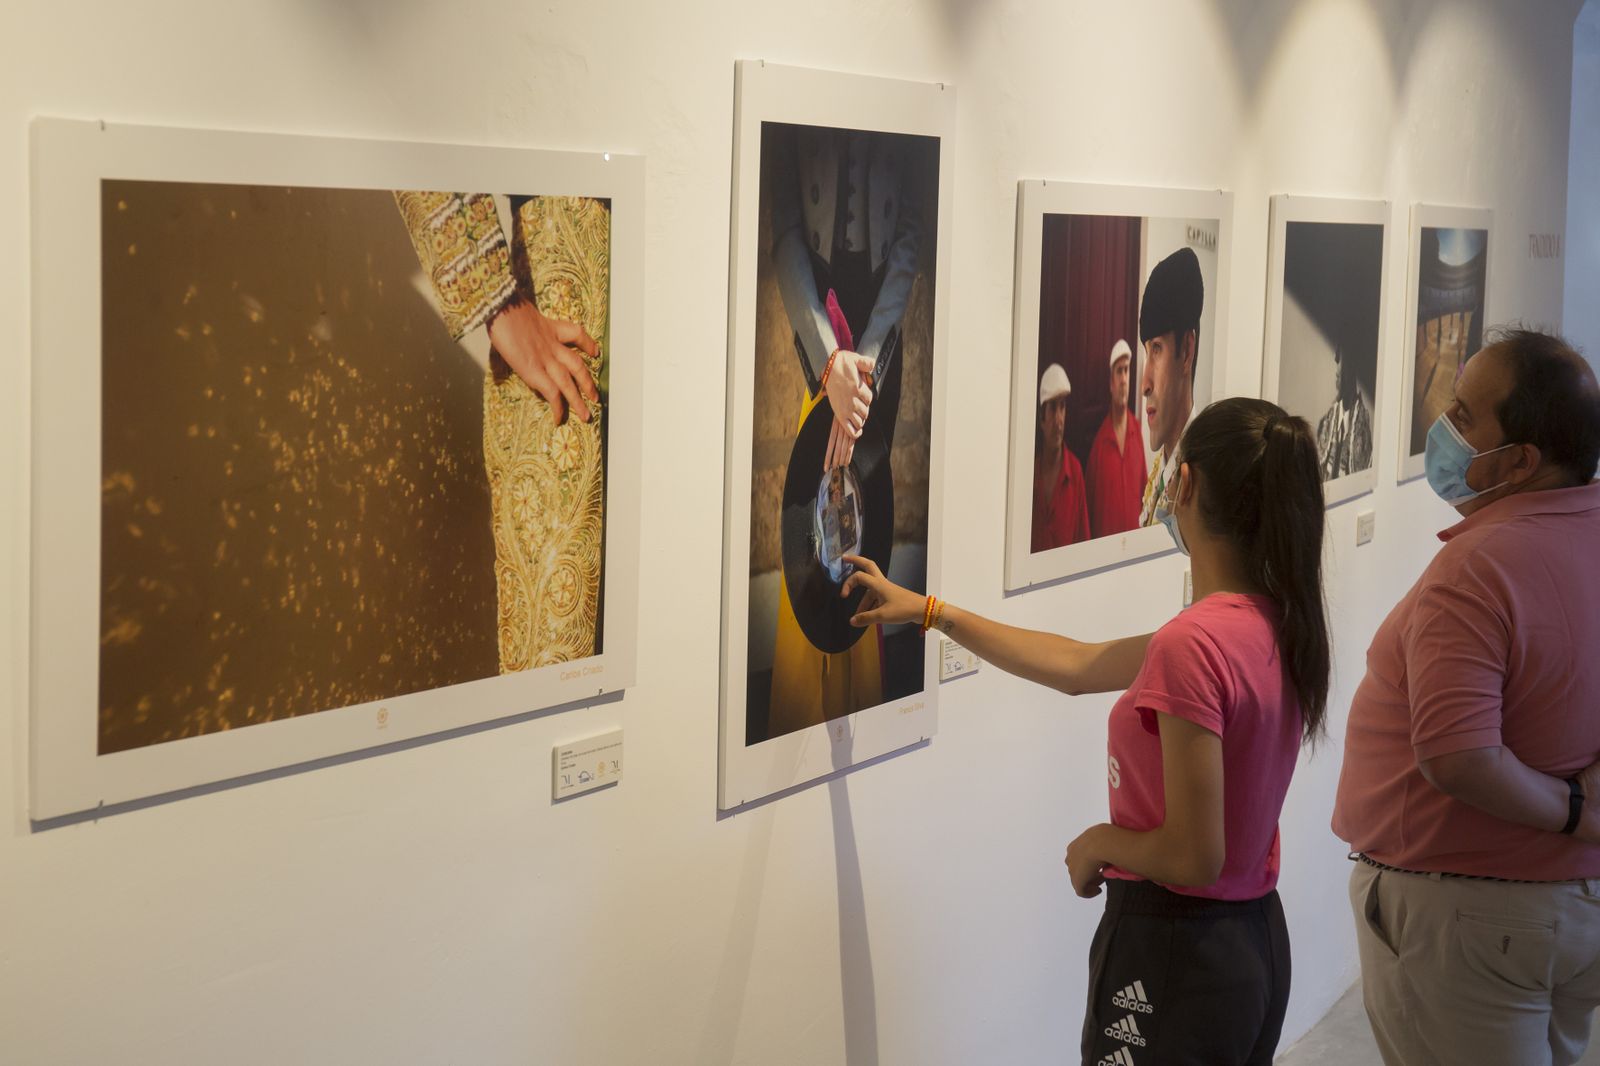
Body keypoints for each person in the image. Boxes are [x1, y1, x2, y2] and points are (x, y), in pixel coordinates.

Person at [847, 396, 1329, 1066]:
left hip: (1176, 954)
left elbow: (1195, 857)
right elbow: (1077, 665)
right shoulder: (1271, 621)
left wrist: (1099, 844)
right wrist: (931, 612)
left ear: (1184, 484)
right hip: (1251, 945)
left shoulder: (1194, 642)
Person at [1332, 327, 1600, 1066]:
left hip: (1469, 913)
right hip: (1566, 908)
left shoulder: (1481, 565)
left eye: (1463, 414)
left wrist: (1574, 812)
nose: (1443, 427)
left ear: (1520, 461)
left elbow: (1457, 753)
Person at [763, 124, 924, 736]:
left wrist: (867, 368)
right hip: (819, 333)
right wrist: (830, 361)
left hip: (878, 343)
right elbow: (784, 235)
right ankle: (805, 711)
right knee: (813, 520)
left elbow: (910, 238)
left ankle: (863, 704)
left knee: (867, 520)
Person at [1136, 248, 1205, 527]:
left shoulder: (1202, 480)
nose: (1144, 384)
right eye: (1146, 352)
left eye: (1157, 349)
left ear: (1186, 351)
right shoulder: (1161, 471)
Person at [1087, 339, 1147, 537]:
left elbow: (1145, 495)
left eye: (1127, 370)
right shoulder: (1099, 444)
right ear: (1111, 383)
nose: (1123, 379)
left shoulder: (1137, 432)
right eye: (1119, 371)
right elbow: (1091, 512)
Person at [1033, 363, 1091, 550]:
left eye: (1062, 407)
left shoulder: (1075, 472)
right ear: (1042, 418)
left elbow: (1083, 541)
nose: (1058, 419)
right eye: (1052, 408)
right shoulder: (1030, 473)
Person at [1315, 343, 1374, 480]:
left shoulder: (1361, 424)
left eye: (1345, 363)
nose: (1338, 371)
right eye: (1338, 361)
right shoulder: (1326, 422)